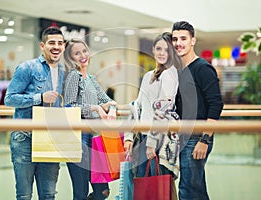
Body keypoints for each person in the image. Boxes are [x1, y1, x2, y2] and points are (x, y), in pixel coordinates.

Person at [4, 26, 65, 200]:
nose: (56, 46)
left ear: (64, 46)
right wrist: (39, 97)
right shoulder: (27, 68)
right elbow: (10, 99)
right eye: (51, 42)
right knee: (24, 195)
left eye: (60, 43)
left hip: (51, 138)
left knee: (49, 194)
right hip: (25, 138)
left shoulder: (64, 72)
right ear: (42, 45)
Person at [123, 32, 184, 199]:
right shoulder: (149, 76)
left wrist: (151, 143)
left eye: (167, 49)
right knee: (144, 188)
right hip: (143, 138)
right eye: (158, 48)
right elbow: (137, 106)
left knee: (158, 189)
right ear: (153, 50)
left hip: (159, 140)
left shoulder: (170, 74)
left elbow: (163, 109)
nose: (162, 53)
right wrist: (128, 136)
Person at [171, 21, 224, 200]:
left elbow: (216, 104)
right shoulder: (179, 70)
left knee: (187, 190)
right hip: (183, 136)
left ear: (193, 41)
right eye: (175, 39)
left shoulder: (203, 68)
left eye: (183, 38)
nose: (178, 43)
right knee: (196, 189)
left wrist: (205, 139)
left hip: (197, 138)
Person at [63, 38, 117, 200]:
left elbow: (108, 100)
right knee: (80, 192)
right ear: (70, 58)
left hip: (94, 140)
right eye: (76, 53)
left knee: (103, 191)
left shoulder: (92, 79)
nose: (82, 55)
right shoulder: (73, 76)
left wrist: (112, 109)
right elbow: (69, 107)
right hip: (78, 138)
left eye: (84, 51)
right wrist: (95, 108)